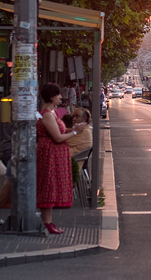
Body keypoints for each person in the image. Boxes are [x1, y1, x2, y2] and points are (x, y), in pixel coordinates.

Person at [37, 82, 86, 235]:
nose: (60, 97)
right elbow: (57, 137)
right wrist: (76, 132)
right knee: (49, 185)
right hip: (50, 154)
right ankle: (46, 222)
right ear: (51, 97)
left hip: (56, 154)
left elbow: (59, 131)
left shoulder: (53, 113)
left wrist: (72, 129)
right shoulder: (47, 114)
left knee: (52, 186)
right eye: (58, 95)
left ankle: (49, 221)